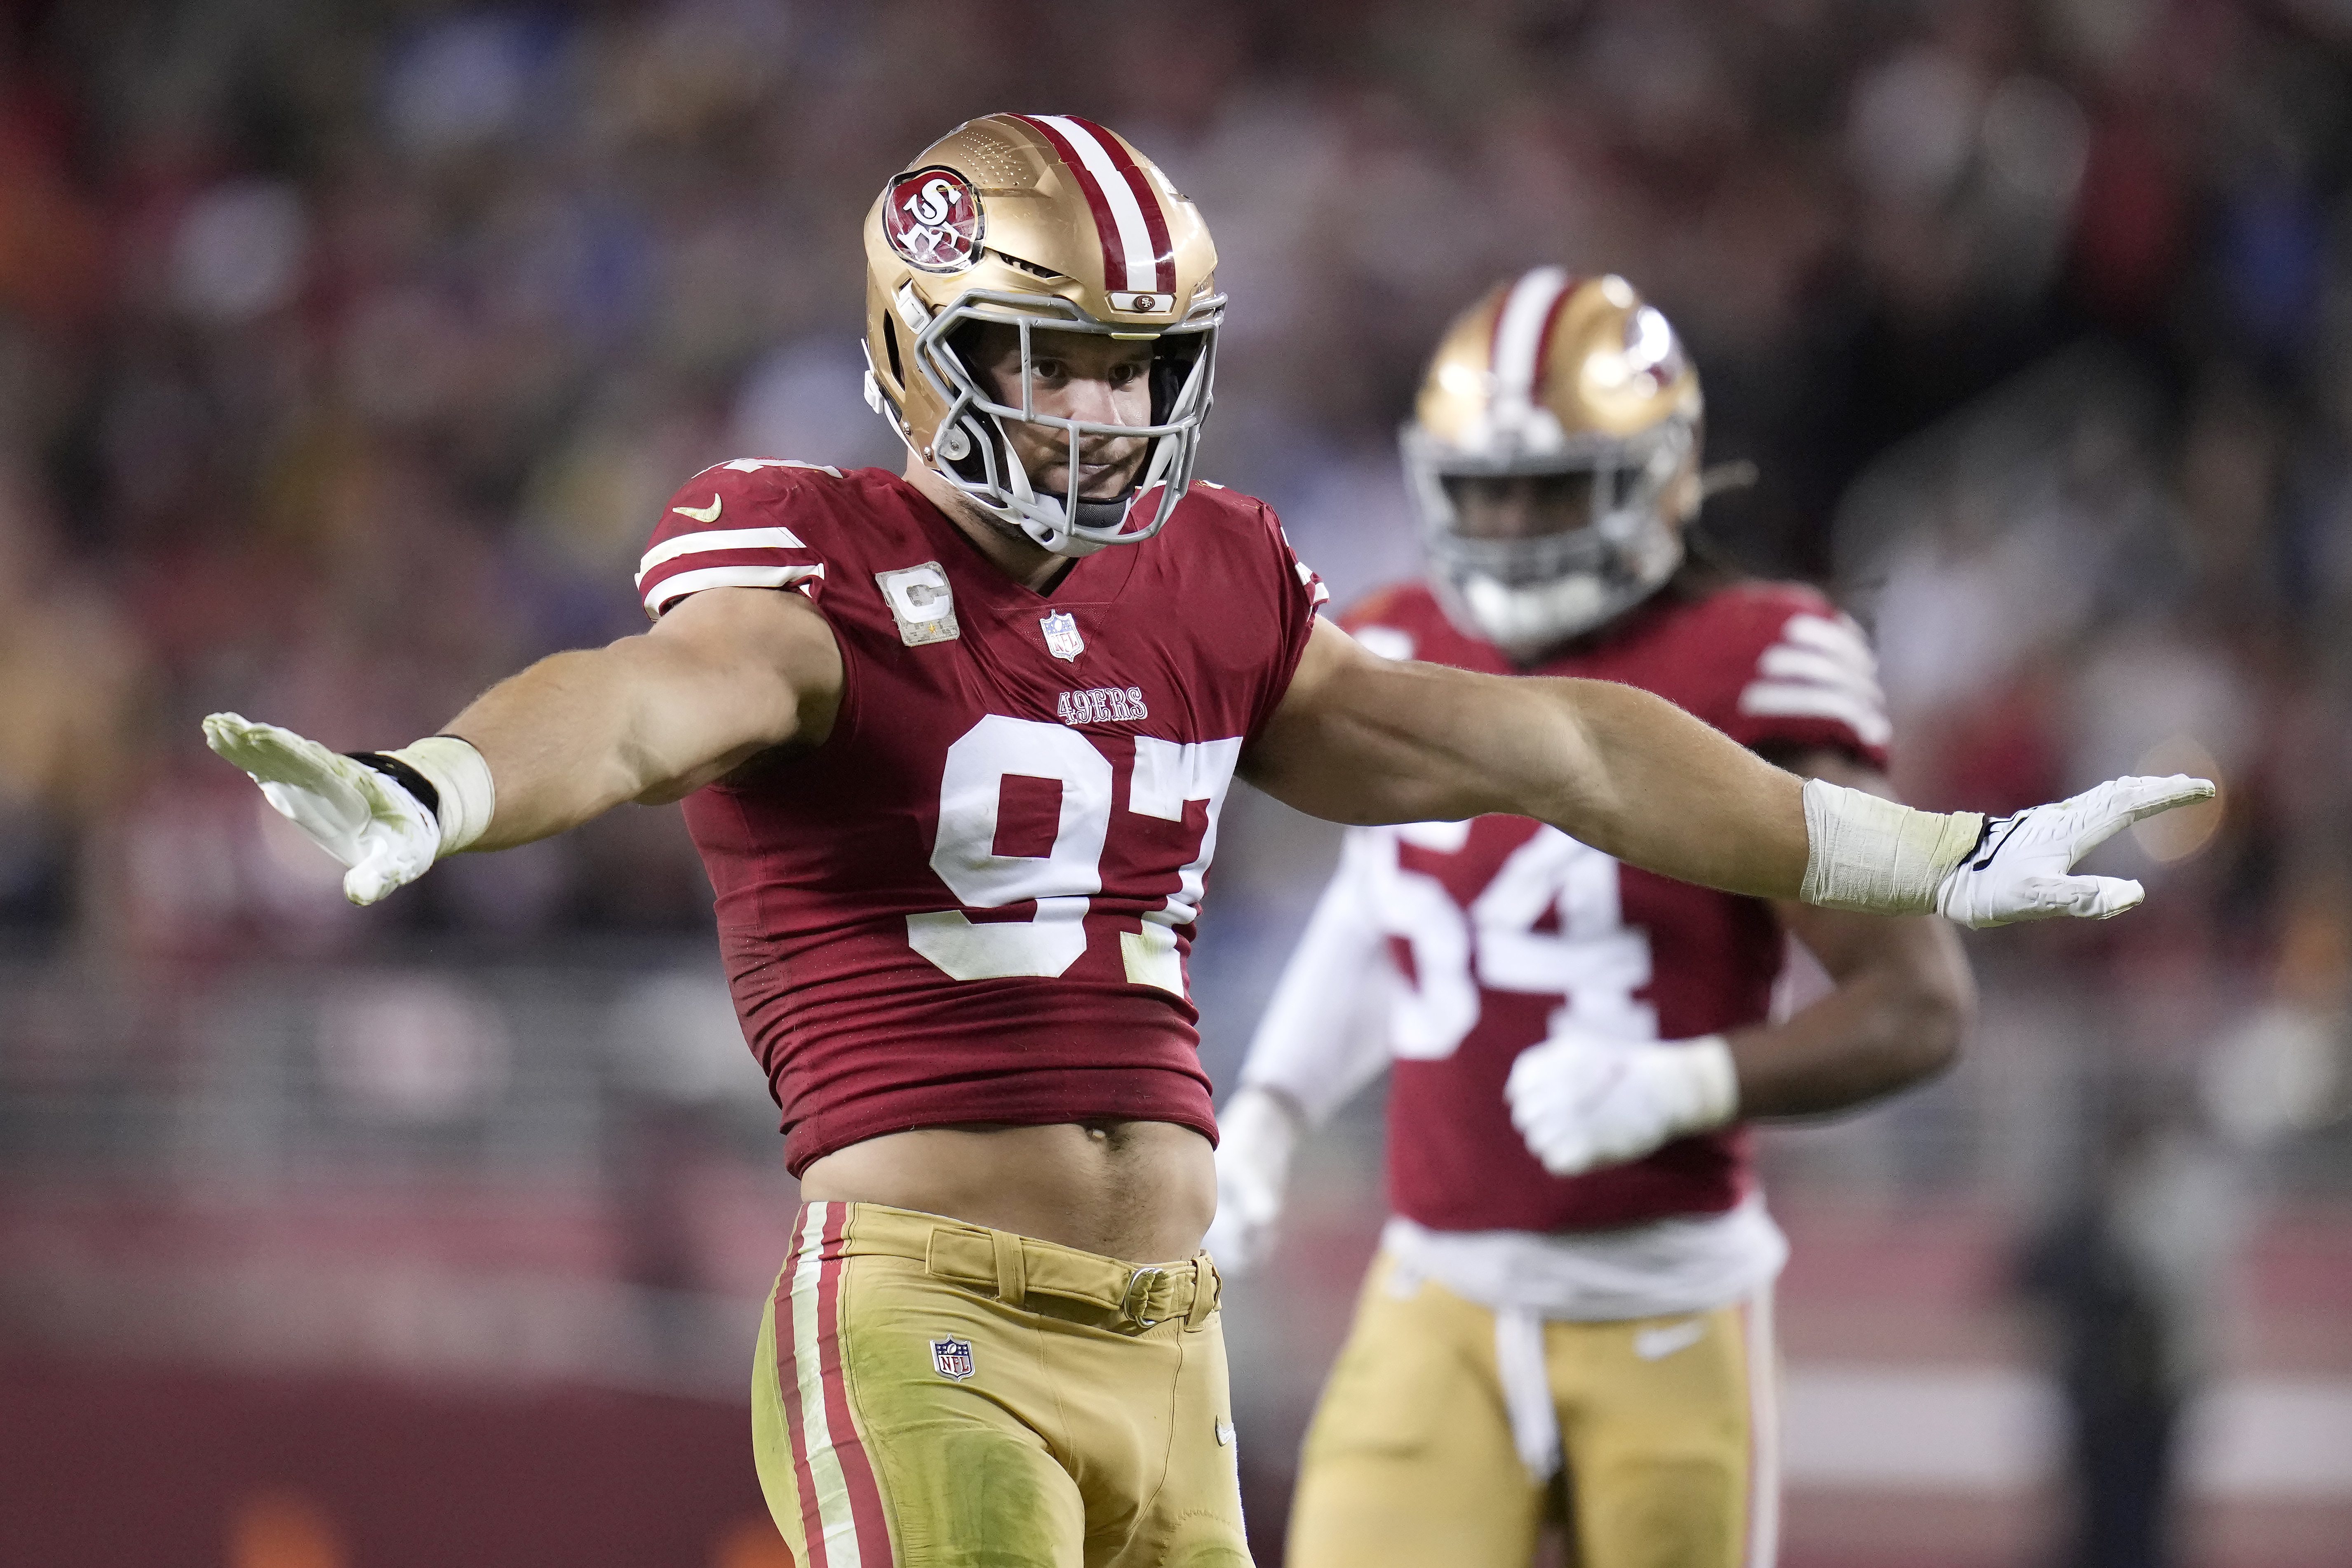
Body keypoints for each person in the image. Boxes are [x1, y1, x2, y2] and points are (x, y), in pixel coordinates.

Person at [200, 119, 2207, 1568]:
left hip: (1174, 1341)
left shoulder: (1218, 577)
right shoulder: (810, 554)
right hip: (931, 1316)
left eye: (1131, 361)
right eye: (1045, 353)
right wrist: (444, 784)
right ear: (923, 345)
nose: (1093, 406)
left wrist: (1917, 852)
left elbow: (1558, 747)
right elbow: (645, 702)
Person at [1204, 268, 1989, 1568]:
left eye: (1552, 486)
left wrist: (1685, 1080)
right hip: (1435, 1289)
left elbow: (1918, 1003)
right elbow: (1374, 906)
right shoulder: (1394, 639)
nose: (1511, 522)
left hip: (1666, 1298)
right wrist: (1272, 1117)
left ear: (1659, 475)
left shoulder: (1752, 657)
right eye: (1485, 488)